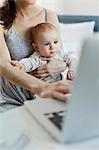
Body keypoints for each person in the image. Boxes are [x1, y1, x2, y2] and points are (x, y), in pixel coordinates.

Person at [0, 0, 71, 112]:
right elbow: (3, 66)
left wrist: (63, 66)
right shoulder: (1, 19)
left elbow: (59, 54)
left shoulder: (49, 15)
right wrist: (43, 88)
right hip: (12, 100)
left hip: (47, 99)